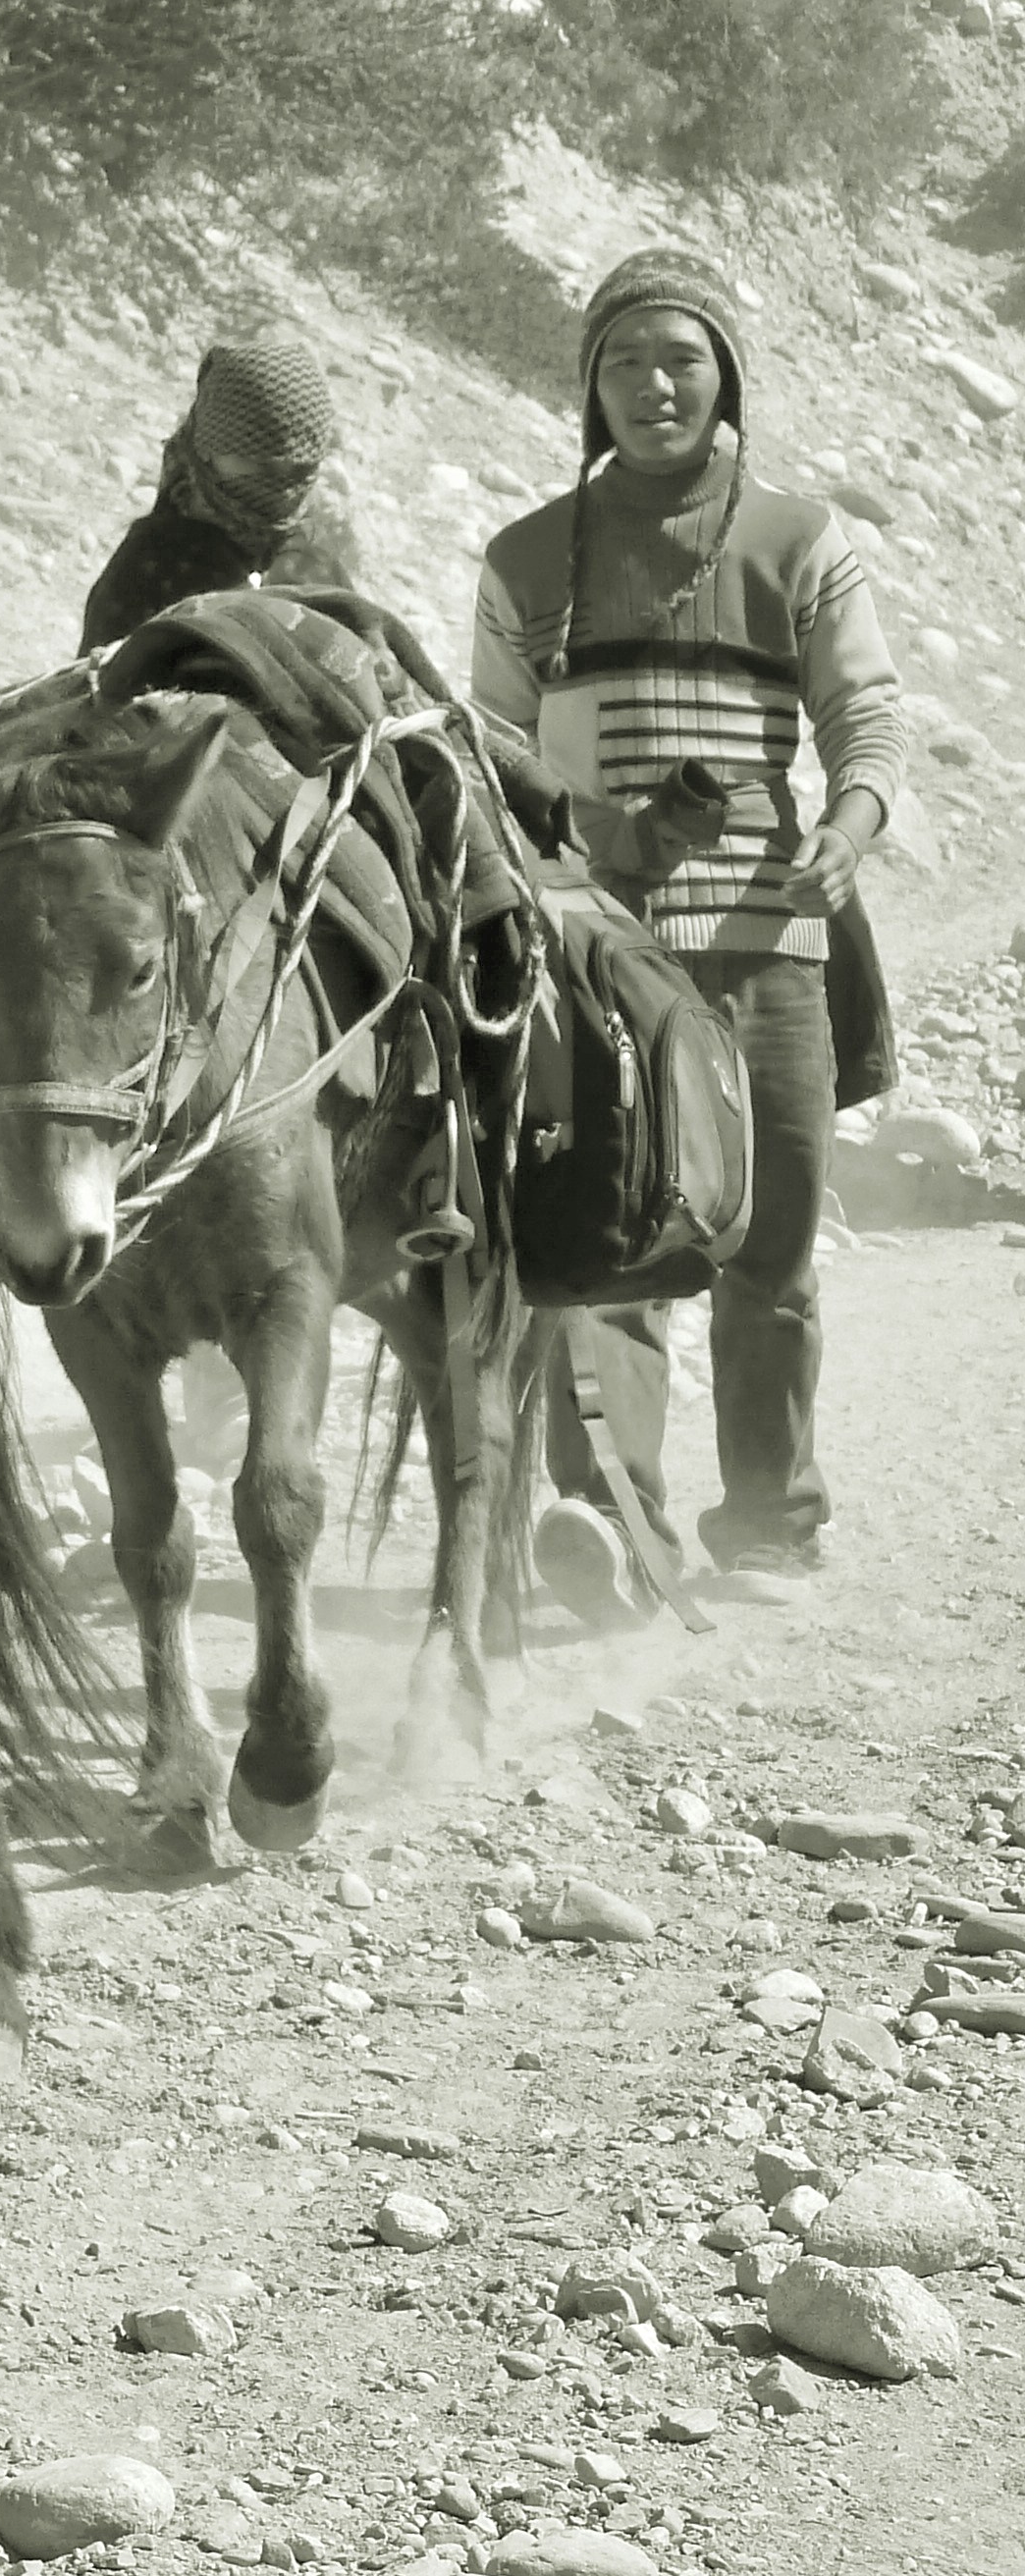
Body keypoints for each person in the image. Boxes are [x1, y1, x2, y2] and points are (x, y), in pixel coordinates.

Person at [470, 245, 900, 1616]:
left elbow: (866, 716)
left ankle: (772, 1525)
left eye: (681, 360)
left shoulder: (799, 539)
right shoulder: (527, 557)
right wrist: (592, 841)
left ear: (726, 380)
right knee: (605, 1237)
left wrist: (853, 826)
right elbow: (487, 749)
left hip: (772, 935)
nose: (654, 387)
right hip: (597, 954)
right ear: (590, 392)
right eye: (623, 364)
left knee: (766, 1245)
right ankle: (610, 1531)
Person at [80, 337, 360, 651]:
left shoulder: (314, 568)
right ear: (208, 448)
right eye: (253, 465)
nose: (279, 488)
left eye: (297, 471)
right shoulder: (151, 574)